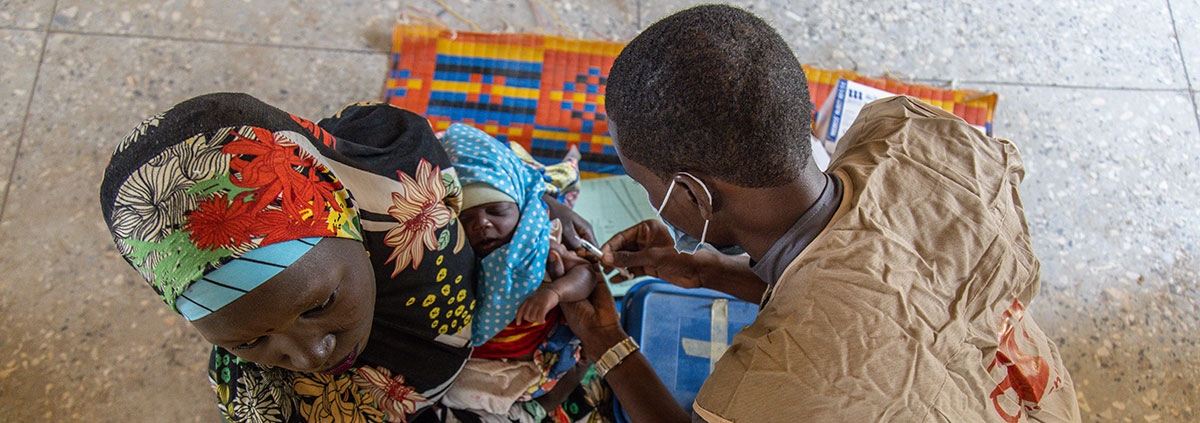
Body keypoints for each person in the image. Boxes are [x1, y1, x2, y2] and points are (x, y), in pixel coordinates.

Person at [559, 5, 1081, 423]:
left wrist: (606, 338)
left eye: (647, 185)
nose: (652, 202)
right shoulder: (910, 135)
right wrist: (703, 270)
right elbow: (880, 279)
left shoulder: (764, 392)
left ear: (694, 196)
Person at [98, 93, 597, 423]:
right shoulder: (265, 402)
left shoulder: (405, 172)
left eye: (319, 305)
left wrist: (538, 206)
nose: (313, 356)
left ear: (346, 211)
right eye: (248, 339)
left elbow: (483, 163)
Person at [435, 123, 604, 420]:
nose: (482, 224)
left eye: (496, 211)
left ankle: (544, 405)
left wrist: (554, 292)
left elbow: (588, 275)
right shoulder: (454, 253)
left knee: (577, 363)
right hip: (479, 357)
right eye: (467, 220)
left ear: (521, 208)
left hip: (538, 352)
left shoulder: (542, 244)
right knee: (450, 393)